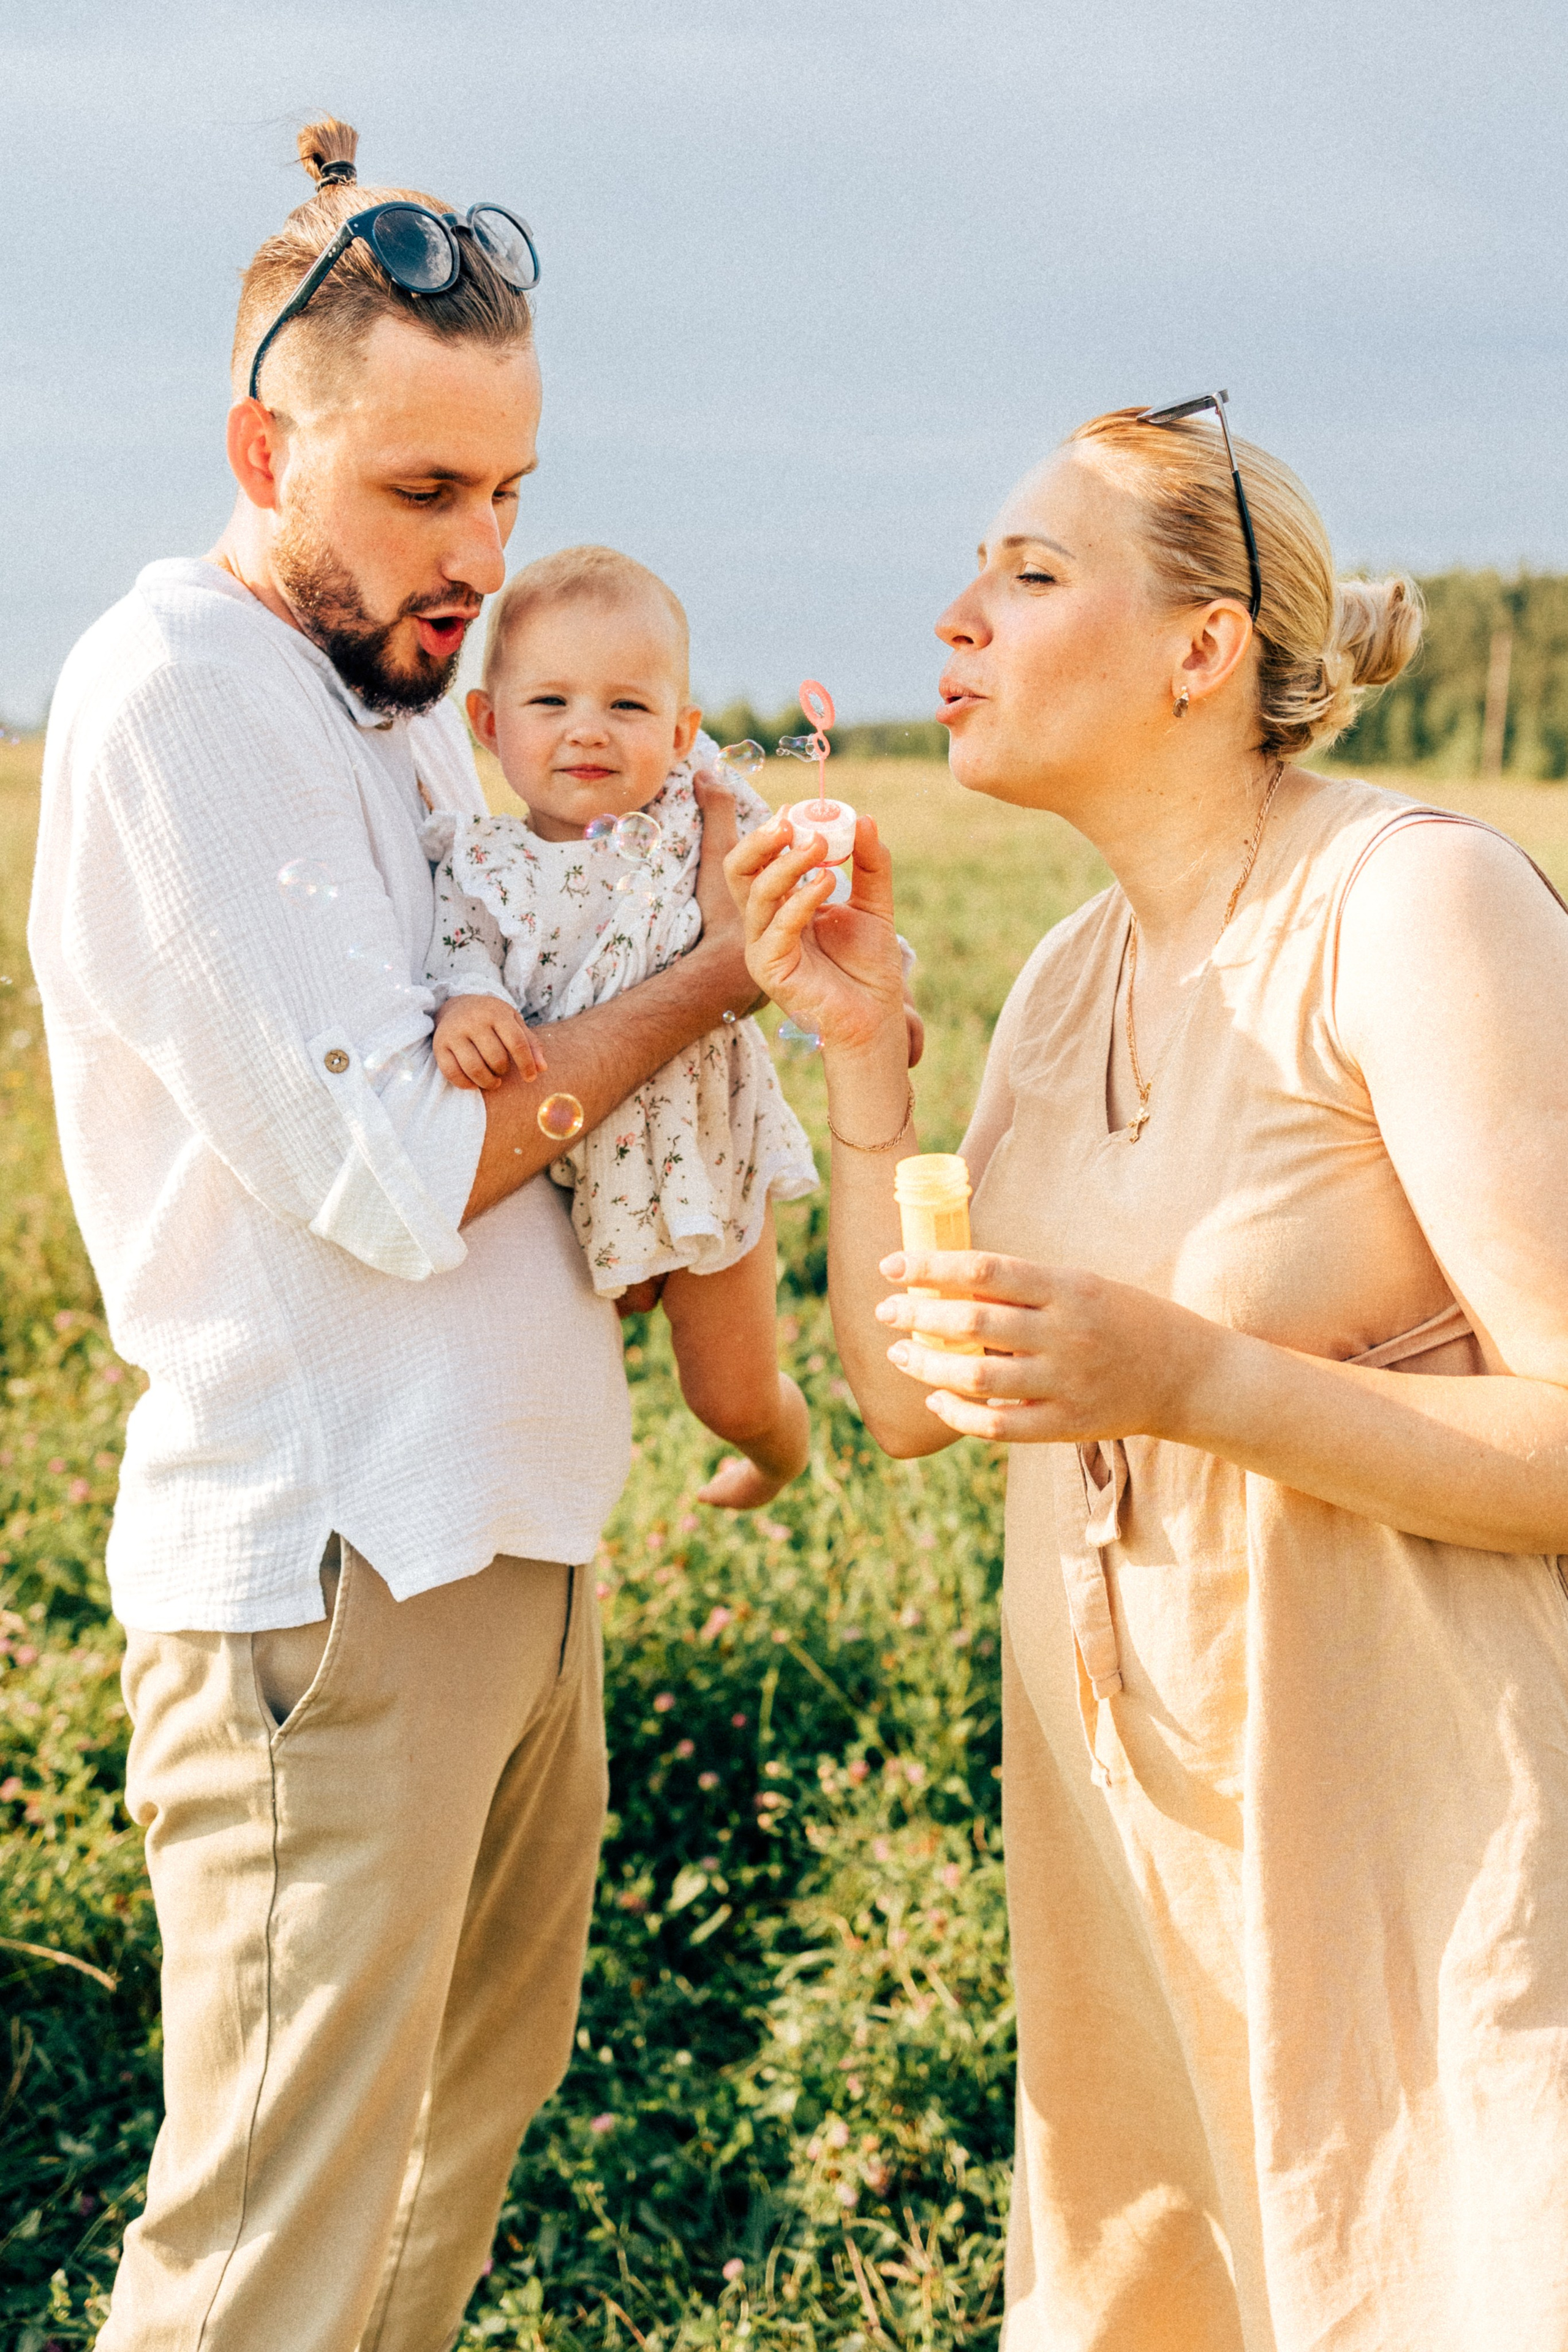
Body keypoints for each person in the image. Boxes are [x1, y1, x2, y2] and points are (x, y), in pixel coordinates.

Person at [27, 117, 760, 2352]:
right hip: (331, 1590)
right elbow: (402, 1172)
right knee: (264, 2261)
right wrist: (710, 975)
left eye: (512, 488)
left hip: (505, 1552)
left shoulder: (419, 712)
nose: (485, 554)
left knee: (440, 2177)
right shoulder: (183, 696)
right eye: (423, 495)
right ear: (265, 442)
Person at [729, 399, 1568, 2349]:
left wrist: (1192, 1380)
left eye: (1030, 575)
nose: (958, 617)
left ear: (1206, 653)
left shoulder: (1414, 904)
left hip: (1417, 1854)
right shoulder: (1063, 978)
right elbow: (911, 1397)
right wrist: (865, 1071)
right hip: (1136, 1874)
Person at [424, 544, 816, 1508]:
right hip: (564, 1158)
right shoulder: (478, 862)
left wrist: (874, 989)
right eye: (550, 703)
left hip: (705, 1144)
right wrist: (470, 1001)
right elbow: (455, 949)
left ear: (684, 730)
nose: (587, 731)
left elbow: (797, 909)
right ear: (487, 722)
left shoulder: (701, 811)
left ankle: (778, 1450)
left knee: (724, 1389)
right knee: (565, 1354)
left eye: (629, 707)